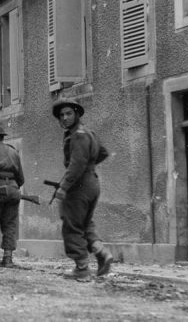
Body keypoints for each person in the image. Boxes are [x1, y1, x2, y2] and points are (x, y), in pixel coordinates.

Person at [52, 98, 113, 281]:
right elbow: (102, 152)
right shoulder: (89, 132)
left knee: (71, 225)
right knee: (85, 223)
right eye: (61, 115)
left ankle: (82, 268)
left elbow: (76, 164)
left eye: (69, 113)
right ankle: (101, 252)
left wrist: (64, 186)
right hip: (92, 183)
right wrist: (89, 167)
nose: (64, 118)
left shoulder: (78, 135)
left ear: (76, 114)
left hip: (79, 185)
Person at [0, 125, 25, 267]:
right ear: (2, 137)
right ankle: (7, 258)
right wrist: (11, 186)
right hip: (13, 189)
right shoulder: (13, 152)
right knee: (10, 224)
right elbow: (21, 179)